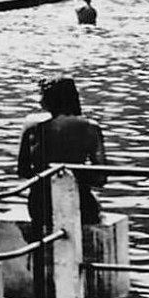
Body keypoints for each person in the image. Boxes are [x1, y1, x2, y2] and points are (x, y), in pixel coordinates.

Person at [16, 76, 107, 229]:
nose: (39, 98)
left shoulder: (31, 126)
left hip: (40, 205)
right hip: (79, 202)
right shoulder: (90, 128)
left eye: (41, 94)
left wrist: (47, 174)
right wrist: (71, 174)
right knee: (94, 209)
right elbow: (100, 178)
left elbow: (23, 171)